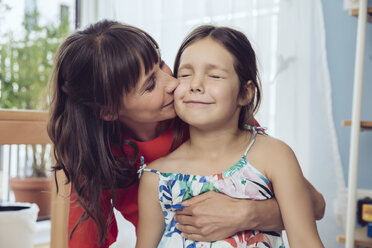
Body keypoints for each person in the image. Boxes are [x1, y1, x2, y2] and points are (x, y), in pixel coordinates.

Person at [47, 20, 325, 248]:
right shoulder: (106, 163)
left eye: (162, 64)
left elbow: (314, 206)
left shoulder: (217, 119)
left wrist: (246, 213)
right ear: (108, 111)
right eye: (149, 85)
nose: (174, 84)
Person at [136, 25, 325, 248]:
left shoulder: (274, 156)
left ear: (245, 93)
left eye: (214, 75)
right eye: (185, 74)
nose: (196, 85)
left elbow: (305, 240)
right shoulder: (155, 177)